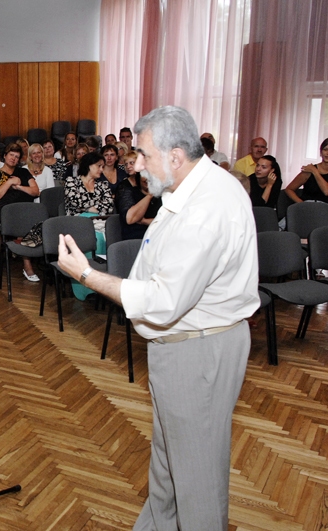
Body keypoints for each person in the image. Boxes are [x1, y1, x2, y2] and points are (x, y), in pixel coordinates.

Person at [57, 106, 258, 530]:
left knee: (196, 477)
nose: (136, 163)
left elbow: (165, 300)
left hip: (197, 351)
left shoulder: (206, 209)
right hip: (187, 345)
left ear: (176, 155)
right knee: (169, 466)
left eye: (144, 155)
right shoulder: (193, 187)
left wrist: (88, 276)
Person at [0, 143, 40, 282]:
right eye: (11, 155)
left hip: (26, 209)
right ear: (4, 156)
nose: (14, 159)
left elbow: (35, 191)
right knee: (22, 223)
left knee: (36, 220)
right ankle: (27, 264)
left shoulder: (23, 172)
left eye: (17, 157)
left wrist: (19, 187)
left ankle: (24, 252)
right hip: (7, 212)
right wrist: (9, 183)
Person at [114, 151, 161, 240]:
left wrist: (145, 221)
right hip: (136, 236)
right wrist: (149, 196)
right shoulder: (127, 189)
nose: (148, 179)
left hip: (157, 235)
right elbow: (130, 218)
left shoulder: (161, 192)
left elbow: (166, 221)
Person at [64, 151, 113, 216]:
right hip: (76, 222)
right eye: (99, 166)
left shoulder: (103, 185)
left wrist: (85, 208)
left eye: (103, 167)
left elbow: (109, 206)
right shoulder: (71, 181)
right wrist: (97, 206)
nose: (101, 169)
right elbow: (75, 202)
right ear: (88, 165)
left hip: (99, 221)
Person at [284, 138, 328, 204]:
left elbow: (326, 191)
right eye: (325, 149)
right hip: (307, 207)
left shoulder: (312, 169)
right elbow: (289, 189)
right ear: (321, 152)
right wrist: (302, 204)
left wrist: (315, 172)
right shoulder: (309, 170)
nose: (327, 153)